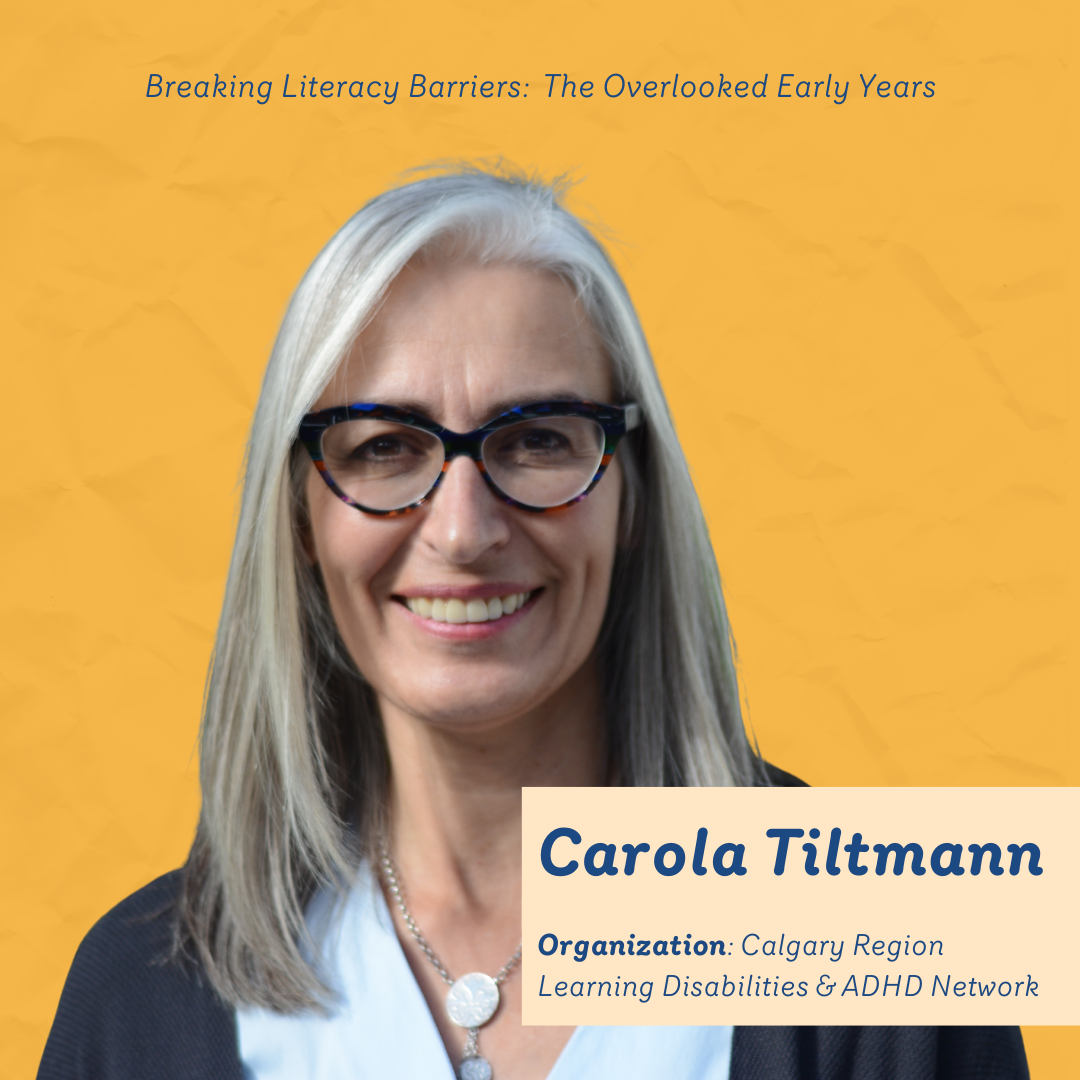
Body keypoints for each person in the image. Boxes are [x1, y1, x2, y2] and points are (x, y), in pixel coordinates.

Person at [37, 167, 1028, 1080]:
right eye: (386, 447)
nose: (464, 531)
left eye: (539, 439)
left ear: (632, 497)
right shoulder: (140, 996)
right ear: (300, 517)